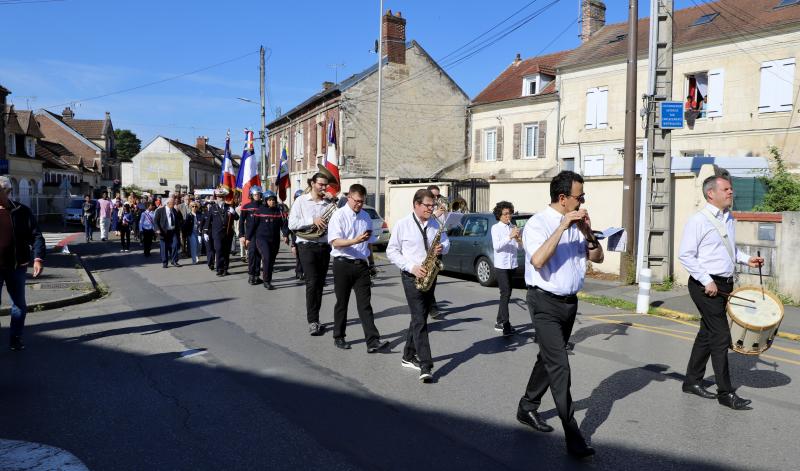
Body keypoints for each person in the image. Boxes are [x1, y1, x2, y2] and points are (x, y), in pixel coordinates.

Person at [516, 170, 603, 459]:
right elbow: (538, 260)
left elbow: (597, 257)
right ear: (563, 198)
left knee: (548, 358)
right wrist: (563, 226)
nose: (583, 201)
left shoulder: (578, 222)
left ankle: (527, 406)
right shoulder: (538, 224)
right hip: (544, 302)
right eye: (580, 197)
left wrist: (587, 232)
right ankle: (573, 436)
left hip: (569, 303)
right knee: (560, 367)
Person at [678, 173, 763, 410]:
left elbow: (729, 250)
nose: (731, 192)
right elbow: (685, 254)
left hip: (724, 285)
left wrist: (748, 260)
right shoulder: (699, 220)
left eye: (730, 189)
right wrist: (706, 280)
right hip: (705, 286)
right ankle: (725, 393)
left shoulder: (728, 217)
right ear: (711, 193)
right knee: (721, 336)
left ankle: (691, 382)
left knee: (707, 333)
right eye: (726, 189)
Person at [386, 188, 450, 383]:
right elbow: (392, 251)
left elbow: (447, 243)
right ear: (416, 205)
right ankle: (426, 365)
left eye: (433, 205)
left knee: (419, 317)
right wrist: (411, 267)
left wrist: (442, 248)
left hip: (430, 274)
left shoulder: (435, 223)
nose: (431, 209)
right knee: (420, 319)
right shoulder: (402, 225)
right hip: (411, 276)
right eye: (428, 205)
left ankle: (408, 355)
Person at [327, 184, 390, 353]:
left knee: (365, 304)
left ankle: (372, 341)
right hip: (342, 263)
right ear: (349, 198)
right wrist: (354, 241)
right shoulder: (338, 216)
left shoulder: (365, 217)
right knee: (342, 302)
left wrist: (371, 264)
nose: (359, 204)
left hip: (361, 265)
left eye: (362, 201)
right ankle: (339, 336)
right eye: (357, 201)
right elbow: (335, 241)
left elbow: (368, 244)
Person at [0, 176, 45, 351]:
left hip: (16, 267)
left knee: (19, 305)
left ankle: (15, 337)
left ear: (7, 191)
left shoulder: (21, 211)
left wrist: (38, 258)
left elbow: (36, 236)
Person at [288, 171, 336, 336]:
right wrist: (312, 221)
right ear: (313, 183)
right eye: (320, 184)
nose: (323, 187)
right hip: (306, 245)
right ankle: (313, 321)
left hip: (323, 246)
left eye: (325, 185)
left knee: (320, 284)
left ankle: (316, 318)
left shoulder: (328, 203)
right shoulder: (301, 200)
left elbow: (338, 220)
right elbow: (291, 224)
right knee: (312, 282)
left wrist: (335, 201)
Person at [246, 190, 288, 290]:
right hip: (262, 239)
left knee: (271, 260)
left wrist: (286, 235)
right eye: (269, 200)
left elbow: (284, 225)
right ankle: (267, 281)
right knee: (267, 258)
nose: (272, 202)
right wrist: (248, 238)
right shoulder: (259, 211)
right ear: (265, 201)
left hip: (274, 240)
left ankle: (265, 277)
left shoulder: (279, 211)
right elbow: (252, 225)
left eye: (273, 200)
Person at [491, 200, 521, 336]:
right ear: (499, 215)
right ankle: (506, 324)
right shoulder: (495, 228)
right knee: (505, 293)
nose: (508, 216)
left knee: (506, 294)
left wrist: (518, 239)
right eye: (505, 214)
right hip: (501, 265)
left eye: (510, 213)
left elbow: (519, 248)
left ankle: (499, 321)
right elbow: (496, 246)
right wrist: (509, 237)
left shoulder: (512, 227)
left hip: (512, 264)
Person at [204, 189, 238, 276]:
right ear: (216, 197)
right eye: (219, 197)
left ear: (224, 197)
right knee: (218, 250)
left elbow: (237, 218)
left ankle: (225, 269)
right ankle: (219, 269)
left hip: (227, 233)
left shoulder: (229, 206)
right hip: (217, 233)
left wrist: (233, 212)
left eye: (222, 197)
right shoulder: (212, 208)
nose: (221, 198)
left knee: (226, 252)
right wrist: (205, 232)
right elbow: (208, 221)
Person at [426, 184, 446, 319]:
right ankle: (430, 307)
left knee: (433, 278)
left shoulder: (440, 206)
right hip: (425, 249)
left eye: (438, 195)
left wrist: (448, 215)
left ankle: (431, 307)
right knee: (426, 280)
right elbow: (427, 220)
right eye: (434, 196)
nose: (436, 198)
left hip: (438, 244)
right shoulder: (428, 210)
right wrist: (436, 214)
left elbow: (444, 227)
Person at [240, 187, 264, 285]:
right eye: (255, 194)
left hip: (261, 234)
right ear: (251, 195)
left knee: (259, 255)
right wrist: (242, 235)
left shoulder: (263, 206)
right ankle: (251, 276)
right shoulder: (246, 206)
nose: (257, 196)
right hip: (251, 235)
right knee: (252, 255)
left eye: (258, 194)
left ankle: (257, 276)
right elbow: (241, 222)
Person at [154, 197, 183, 268]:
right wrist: (157, 229)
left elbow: (179, 219)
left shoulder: (174, 210)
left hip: (173, 231)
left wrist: (178, 211)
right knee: (164, 248)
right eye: (173, 203)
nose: (174, 204)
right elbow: (155, 221)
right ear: (168, 203)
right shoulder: (160, 210)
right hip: (164, 232)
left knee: (175, 245)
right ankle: (165, 262)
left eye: (174, 203)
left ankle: (174, 261)